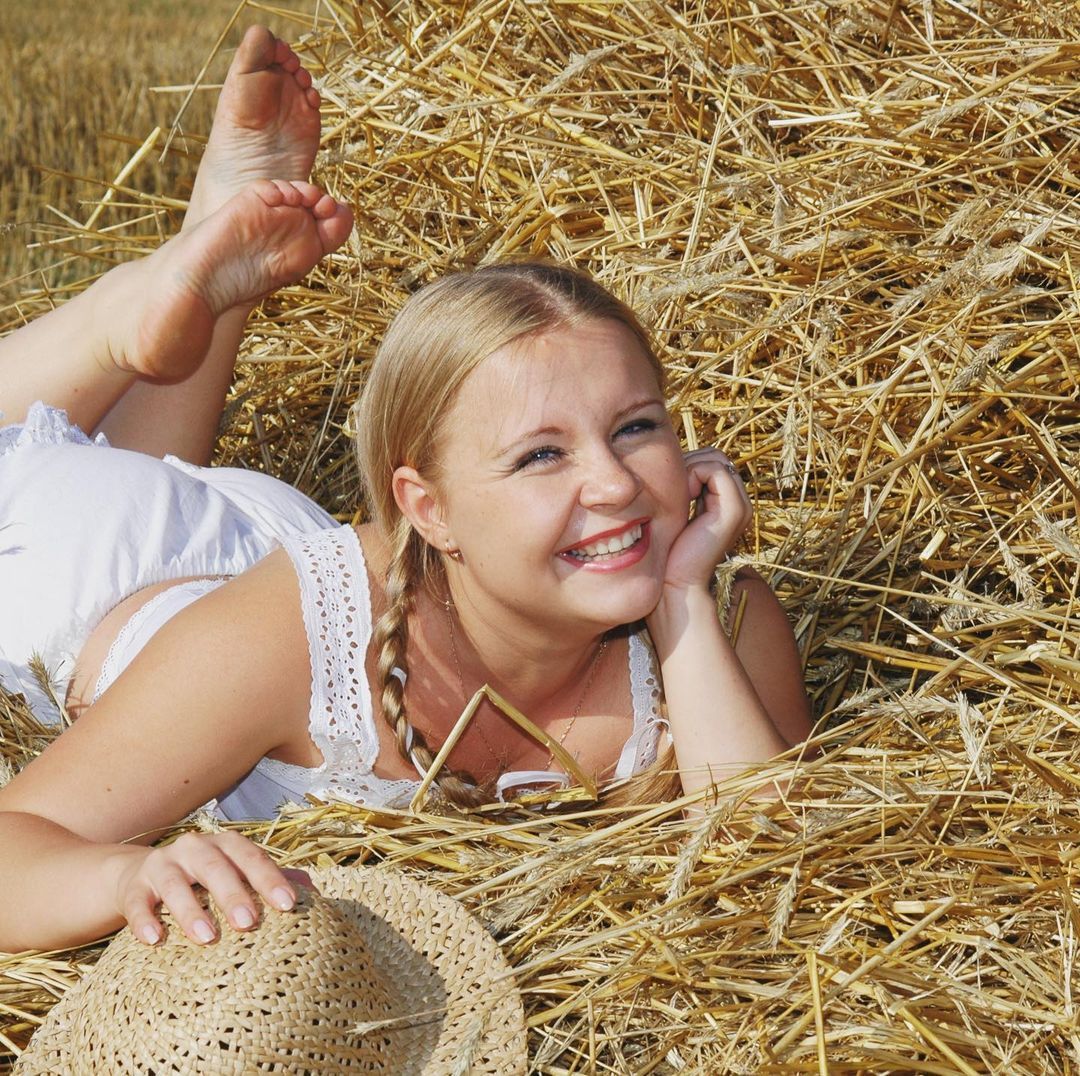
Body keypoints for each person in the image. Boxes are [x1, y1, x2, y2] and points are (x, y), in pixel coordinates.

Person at [0, 27, 811, 956]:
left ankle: (209, 262)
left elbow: (775, 874)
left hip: (277, 560)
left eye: (636, 427)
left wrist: (681, 607)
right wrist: (121, 873)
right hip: (83, 566)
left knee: (154, 470)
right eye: (542, 455)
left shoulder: (730, 621)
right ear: (428, 508)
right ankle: (125, 319)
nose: (617, 483)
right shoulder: (288, 640)